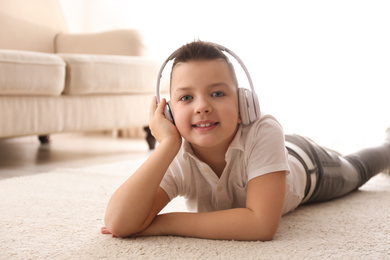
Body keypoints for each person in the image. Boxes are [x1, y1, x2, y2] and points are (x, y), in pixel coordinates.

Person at [101, 41, 390, 241]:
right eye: (186, 97)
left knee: (356, 168)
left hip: (308, 164)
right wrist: (165, 146)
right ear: (169, 113)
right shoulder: (177, 154)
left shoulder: (264, 129)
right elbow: (117, 222)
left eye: (217, 93)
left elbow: (261, 224)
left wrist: (160, 224)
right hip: (273, 155)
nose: (201, 106)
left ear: (244, 105)